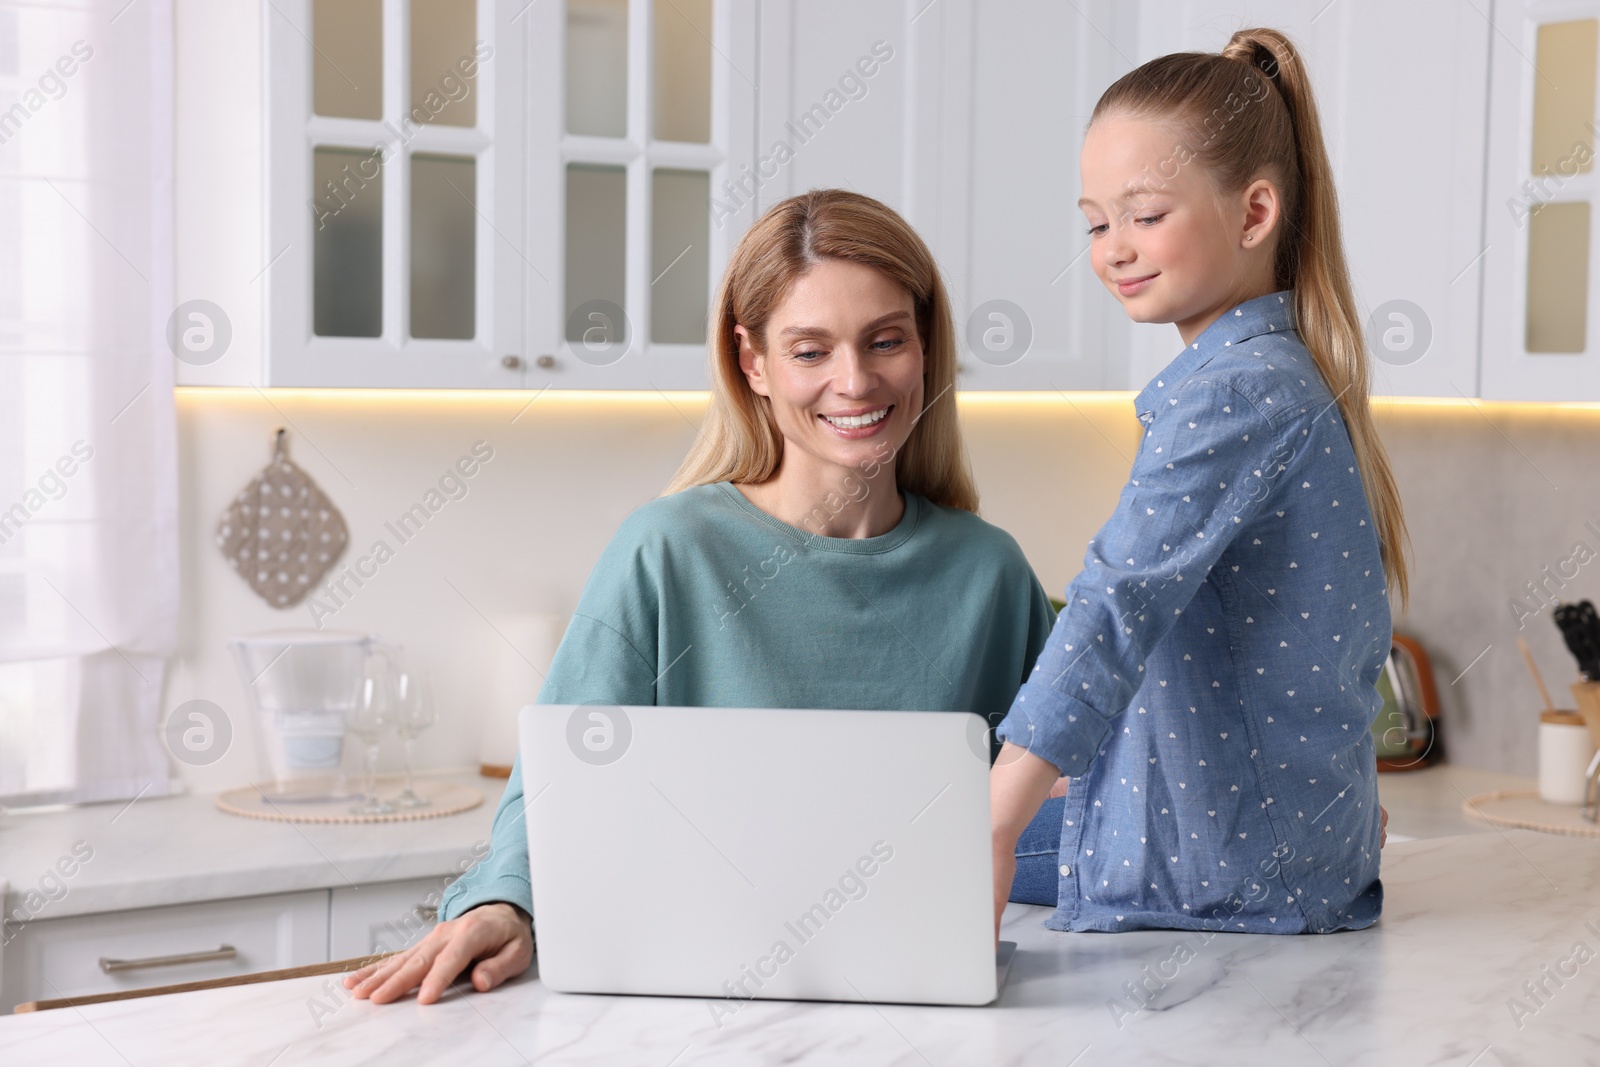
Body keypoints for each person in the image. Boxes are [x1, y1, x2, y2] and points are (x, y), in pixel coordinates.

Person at [345, 189, 1057, 1005]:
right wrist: (505, 901)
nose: (855, 381)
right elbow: (553, 786)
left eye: (885, 340)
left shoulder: (991, 573)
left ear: (926, 346)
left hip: (928, 1003)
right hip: (695, 1008)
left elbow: (1055, 798)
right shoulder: (667, 551)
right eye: (810, 350)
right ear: (752, 361)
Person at [990, 27, 1407, 937]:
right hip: (1292, 850)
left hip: (1235, 865)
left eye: (1145, 215)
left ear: (1254, 214)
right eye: (1097, 221)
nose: (1113, 248)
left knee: (905, 839)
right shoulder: (1277, 373)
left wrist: (995, 820)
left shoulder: (1236, 393)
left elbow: (1114, 603)